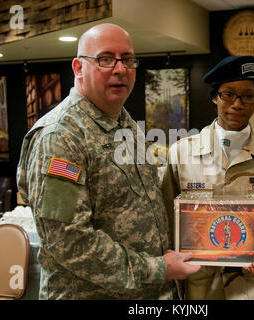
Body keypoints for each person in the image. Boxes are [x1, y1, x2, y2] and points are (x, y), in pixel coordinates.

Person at [17, 23, 199, 300]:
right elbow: (69, 241)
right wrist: (157, 269)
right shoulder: (61, 136)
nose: (120, 69)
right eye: (105, 59)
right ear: (79, 68)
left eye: (127, 59)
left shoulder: (126, 125)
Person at [162, 56, 254, 300]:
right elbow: (164, 221)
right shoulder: (181, 154)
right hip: (200, 287)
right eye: (228, 94)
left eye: (247, 96)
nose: (237, 104)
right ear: (215, 97)